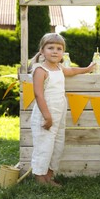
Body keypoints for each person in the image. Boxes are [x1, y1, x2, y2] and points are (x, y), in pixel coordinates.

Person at [28, 33, 95, 187]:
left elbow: (71, 71)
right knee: (44, 146)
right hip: (46, 116)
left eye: (59, 48)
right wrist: (47, 117)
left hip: (59, 115)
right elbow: (38, 94)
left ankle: (49, 176)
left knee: (57, 145)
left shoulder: (58, 67)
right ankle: (40, 178)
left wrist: (87, 69)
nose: (55, 51)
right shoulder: (40, 70)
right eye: (50, 47)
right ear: (42, 51)